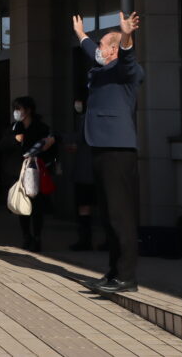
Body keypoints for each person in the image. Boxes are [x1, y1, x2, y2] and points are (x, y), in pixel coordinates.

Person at [74, 12, 144, 294]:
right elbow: (91, 49)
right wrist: (81, 35)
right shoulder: (101, 68)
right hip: (100, 147)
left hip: (118, 150)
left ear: (114, 49)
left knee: (120, 215)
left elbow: (127, 59)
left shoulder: (126, 71)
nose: (98, 49)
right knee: (108, 215)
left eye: (103, 45)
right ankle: (114, 272)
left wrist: (126, 36)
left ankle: (127, 276)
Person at [0, 96, 57, 252]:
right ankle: (26, 236)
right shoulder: (13, 128)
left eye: (19, 109)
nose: (16, 112)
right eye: (15, 109)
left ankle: (37, 237)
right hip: (18, 172)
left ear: (28, 110)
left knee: (37, 207)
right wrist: (15, 139)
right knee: (23, 205)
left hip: (36, 171)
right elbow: (2, 145)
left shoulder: (41, 128)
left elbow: (52, 145)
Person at [67, 96, 98, 250]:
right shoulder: (99, 118)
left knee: (84, 205)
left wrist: (59, 138)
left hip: (86, 170)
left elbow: (80, 137)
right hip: (96, 168)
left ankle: (85, 240)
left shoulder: (86, 118)